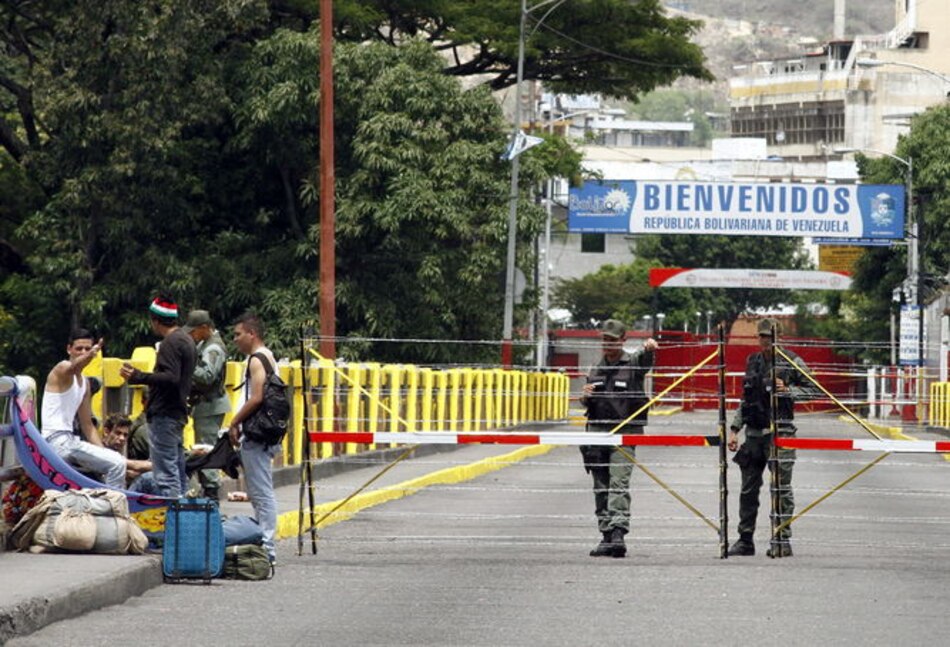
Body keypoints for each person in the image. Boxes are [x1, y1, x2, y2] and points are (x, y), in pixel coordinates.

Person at [727, 318, 813, 558]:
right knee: (748, 490)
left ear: (779, 338)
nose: (766, 341)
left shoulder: (791, 362)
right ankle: (745, 540)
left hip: (780, 434)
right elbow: (746, 399)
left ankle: (782, 539)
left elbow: (813, 389)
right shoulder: (752, 361)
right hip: (754, 435)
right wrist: (734, 429)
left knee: (781, 489)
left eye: (770, 337)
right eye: (762, 336)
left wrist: (788, 390)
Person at [579, 318, 657, 558]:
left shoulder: (633, 363)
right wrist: (584, 396)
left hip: (625, 434)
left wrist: (649, 349)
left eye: (612, 340)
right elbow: (587, 403)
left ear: (623, 340)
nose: (608, 344)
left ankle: (618, 534)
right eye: (605, 340)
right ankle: (605, 535)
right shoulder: (596, 368)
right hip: (597, 433)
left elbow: (646, 360)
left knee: (618, 483)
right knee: (600, 486)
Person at [120, 295, 196, 498]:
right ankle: (181, 513)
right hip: (177, 413)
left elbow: (171, 377)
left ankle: (171, 514)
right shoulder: (186, 340)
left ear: (155, 320)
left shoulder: (170, 343)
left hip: (165, 414)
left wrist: (138, 376)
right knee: (177, 470)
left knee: (166, 475)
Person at [40, 330, 126, 488]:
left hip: (70, 441)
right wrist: (91, 354)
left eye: (87, 349)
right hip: (55, 441)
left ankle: (107, 498)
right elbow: (74, 367)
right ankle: (112, 502)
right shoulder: (62, 368)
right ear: (69, 349)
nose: (83, 352)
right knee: (117, 463)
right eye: (79, 349)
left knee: (114, 461)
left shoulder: (84, 384)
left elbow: (88, 426)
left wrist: (104, 453)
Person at [227, 312, 279, 565]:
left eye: (238, 334)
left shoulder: (257, 359)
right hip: (264, 434)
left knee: (261, 493)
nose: (235, 339)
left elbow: (256, 397)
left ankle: (267, 548)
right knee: (259, 493)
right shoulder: (265, 357)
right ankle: (264, 544)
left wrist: (234, 421)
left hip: (257, 436)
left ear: (252, 333)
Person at [184, 309, 231, 500]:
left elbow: (207, 375)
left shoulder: (213, 349)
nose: (192, 334)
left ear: (204, 328)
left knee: (206, 449)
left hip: (210, 406)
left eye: (194, 330)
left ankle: (212, 494)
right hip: (205, 406)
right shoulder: (205, 344)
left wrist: (187, 365)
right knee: (205, 448)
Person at [101, 413, 154, 491]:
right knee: (148, 478)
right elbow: (135, 466)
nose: (122, 438)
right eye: (118, 433)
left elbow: (130, 473)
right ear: (106, 432)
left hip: (119, 492)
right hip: (103, 492)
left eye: (125, 435)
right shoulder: (99, 451)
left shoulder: (118, 453)